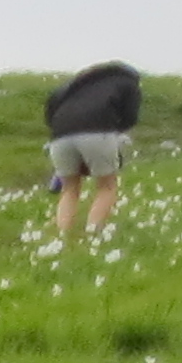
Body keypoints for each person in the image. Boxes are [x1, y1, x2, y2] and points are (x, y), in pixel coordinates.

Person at [44, 58, 142, 239]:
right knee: (107, 186)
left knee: (69, 188)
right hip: (98, 132)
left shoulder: (77, 83)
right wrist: (116, 130)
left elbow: (51, 106)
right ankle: (93, 234)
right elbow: (130, 117)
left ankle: (63, 235)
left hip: (59, 135)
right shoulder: (128, 83)